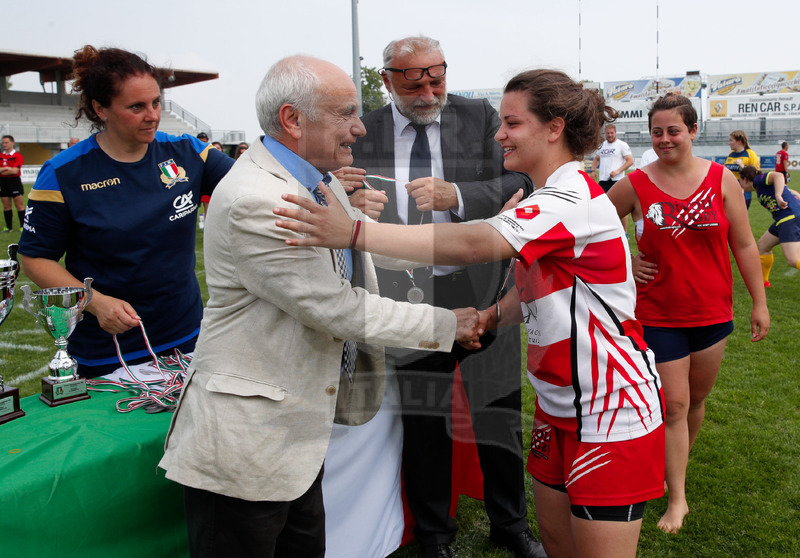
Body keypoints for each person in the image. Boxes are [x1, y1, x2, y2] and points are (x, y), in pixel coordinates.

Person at [275, 68, 667, 558]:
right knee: (558, 545)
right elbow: (535, 287)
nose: (499, 135)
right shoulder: (546, 197)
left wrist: (354, 232)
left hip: (610, 407)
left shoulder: (571, 197)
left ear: (554, 128)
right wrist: (491, 317)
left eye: (512, 123)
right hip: (558, 405)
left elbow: (474, 243)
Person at [158, 55, 481, 558]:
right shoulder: (260, 199)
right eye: (345, 113)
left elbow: (368, 249)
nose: (359, 128)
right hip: (249, 444)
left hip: (290, 440)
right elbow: (338, 308)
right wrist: (447, 324)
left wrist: (486, 239)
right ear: (292, 119)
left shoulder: (318, 182)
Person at [334, 35, 539, 558]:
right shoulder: (365, 129)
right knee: (425, 421)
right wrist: (351, 199)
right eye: (414, 83)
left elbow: (520, 178)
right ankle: (433, 534)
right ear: (387, 81)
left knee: (497, 410)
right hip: (407, 293)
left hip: (482, 286)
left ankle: (510, 523)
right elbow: (333, 190)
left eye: (437, 78)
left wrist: (460, 195)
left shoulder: (478, 116)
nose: (428, 92)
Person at [17, 45, 233, 378]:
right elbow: (35, 258)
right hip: (107, 352)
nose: (153, 115)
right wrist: (95, 302)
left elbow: (254, 183)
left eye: (156, 102)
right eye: (136, 107)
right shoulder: (63, 174)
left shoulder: (189, 154)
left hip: (188, 338)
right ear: (100, 109)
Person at [606, 93, 769, 534]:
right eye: (656, 132)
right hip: (658, 313)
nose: (664, 139)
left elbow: (744, 244)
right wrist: (626, 255)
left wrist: (759, 302)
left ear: (693, 131)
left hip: (712, 311)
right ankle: (677, 498)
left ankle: (673, 465)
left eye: (673, 130)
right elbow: (596, 223)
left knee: (695, 401)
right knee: (674, 404)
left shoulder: (721, 180)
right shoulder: (636, 183)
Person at [739, 165, 800, 287]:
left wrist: (778, 196)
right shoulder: (759, 187)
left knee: (792, 259)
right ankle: (763, 282)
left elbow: (778, 175)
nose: (740, 184)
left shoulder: (758, 180)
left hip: (788, 218)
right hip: (783, 219)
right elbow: (795, 193)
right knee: (763, 245)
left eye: (740, 181)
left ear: (745, 179)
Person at [590, 124, 633, 192]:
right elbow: (596, 159)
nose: (610, 135)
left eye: (611, 133)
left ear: (615, 133)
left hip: (616, 179)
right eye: (608, 133)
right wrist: (593, 171)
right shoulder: (602, 145)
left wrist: (618, 171)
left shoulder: (622, 145)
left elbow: (630, 161)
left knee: (617, 199)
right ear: (605, 134)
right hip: (603, 180)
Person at [724, 129, 759, 209]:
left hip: (744, 192)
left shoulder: (751, 154)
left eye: (731, 140)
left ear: (739, 141)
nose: (729, 143)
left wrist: (742, 167)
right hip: (730, 191)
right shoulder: (731, 154)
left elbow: (755, 175)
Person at [0, 135, 25, 232]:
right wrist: (7, 168)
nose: (4, 144)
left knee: (19, 205)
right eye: (3, 142)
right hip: (3, 182)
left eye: (6, 142)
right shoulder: (1, 156)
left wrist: (2, 170)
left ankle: (23, 227)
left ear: (12, 143)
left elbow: (15, 171)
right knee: (6, 206)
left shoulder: (17, 156)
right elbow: (11, 170)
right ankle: (8, 227)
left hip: (14, 182)